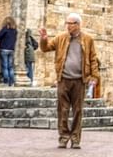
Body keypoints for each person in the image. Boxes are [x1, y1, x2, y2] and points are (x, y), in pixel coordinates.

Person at [38, 13, 99, 149]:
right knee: (63, 110)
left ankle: (76, 139)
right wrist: (43, 39)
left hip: (79, 81)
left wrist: (94, 77)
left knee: (78, 111)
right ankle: (64, 138)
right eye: (67, 23)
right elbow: (45, 48)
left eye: (70, 23)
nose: (67, 26)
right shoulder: (61, 38)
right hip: (63, 79)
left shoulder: (88, 40)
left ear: (77, 25)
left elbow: (93, 59)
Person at [0, 17, 18, 86]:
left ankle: (6, 81)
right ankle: (12, 81)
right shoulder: (15, 31)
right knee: (10, 66)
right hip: (11, 49)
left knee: (5, 66)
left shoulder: (5, 29)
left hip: (4, 49)